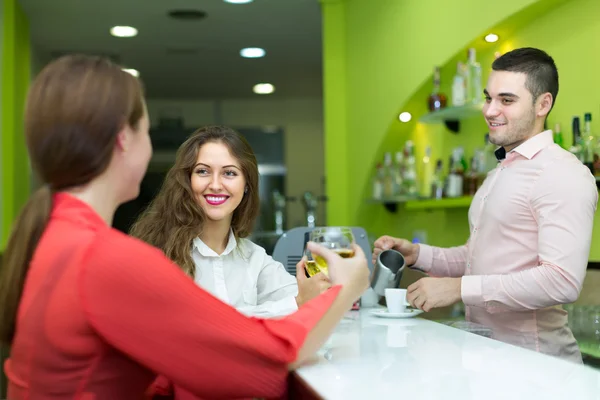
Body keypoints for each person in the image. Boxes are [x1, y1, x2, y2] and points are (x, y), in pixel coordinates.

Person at [0, 54, 370, 400]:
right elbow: (265, 362)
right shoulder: (105, 259)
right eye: (147, 130)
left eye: (229, 173)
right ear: (123, 139)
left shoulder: (55, 237)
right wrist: (343, 289)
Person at [373, 47, 597, 364]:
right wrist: (417, 254)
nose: (490, 110)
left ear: (542, 104)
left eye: (506, 100)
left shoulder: (561, 173)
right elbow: (477, 256)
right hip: (488, 359)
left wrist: (460, 289)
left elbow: (561, 281)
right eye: (488, 98)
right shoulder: (501, 171)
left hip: (539, 367)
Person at [130, 126, 330, 319]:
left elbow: (308, 299)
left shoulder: (254, 258)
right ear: (187, 181)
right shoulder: (158, 253)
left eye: (229, 173)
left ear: (246, 186)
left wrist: (318, 290)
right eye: (203, 171)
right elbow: (201, 322)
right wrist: (296, 303)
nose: (215, 185)